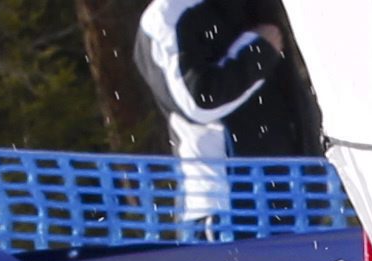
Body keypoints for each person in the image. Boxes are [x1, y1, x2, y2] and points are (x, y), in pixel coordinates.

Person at [135, 0, 320, 235]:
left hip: (297, 196)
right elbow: (200, 101)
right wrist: (258, 50)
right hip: (227, 211)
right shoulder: (168, 15)